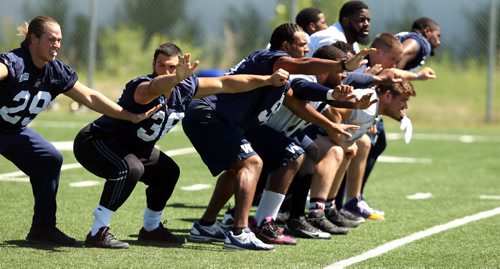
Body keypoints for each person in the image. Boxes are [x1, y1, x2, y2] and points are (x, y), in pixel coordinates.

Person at [72, 42, 290, 249]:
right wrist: (175, 77)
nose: (166, 71)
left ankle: (151, 228)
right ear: (153, 65)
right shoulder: (141, 87)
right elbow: (157, 85)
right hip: (97, 141)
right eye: (161, 66)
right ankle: (97, 232)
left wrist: (268, 80)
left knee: (168, 172)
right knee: (131, 169)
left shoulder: (185, 87)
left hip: (135, 148)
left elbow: (227, 84)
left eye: (172, 67)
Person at [182, 23, 374, 251]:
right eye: (302, 45)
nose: (306, 50)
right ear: (286, 45)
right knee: (254, 162)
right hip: (211, 114)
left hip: (221, 118)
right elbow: (302, 71)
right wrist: (341, 64)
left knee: (241, 166)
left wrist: (337, 102)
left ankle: (207, 225)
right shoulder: (274, 58)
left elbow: (297, 101)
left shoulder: (281, 73)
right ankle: (240, 232)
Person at [0, 16, 159, 246]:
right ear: (33, 39)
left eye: (59, 40)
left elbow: (91, 97)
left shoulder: (55, 71)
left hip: (13, 130)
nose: (56, 45)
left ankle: (43, 229)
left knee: (49, 159)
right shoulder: (15, 62)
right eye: (51, 39)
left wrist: (128, 115)